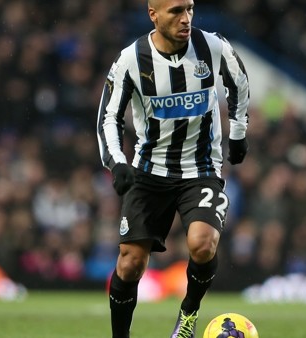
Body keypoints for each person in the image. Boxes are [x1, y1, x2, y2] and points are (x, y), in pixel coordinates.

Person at [96, 0, 250, 337]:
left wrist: (238, 134)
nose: (186, 19)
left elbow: (238, 82)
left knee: (202, 243)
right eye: (176, 11)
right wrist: (117, 162)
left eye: (190, 9)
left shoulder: (212, 47)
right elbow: (108, 116)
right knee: (130, 263)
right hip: (149, 172)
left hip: (201, 168)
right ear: (153, 15)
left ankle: (189, 316)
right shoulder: (131, 60)